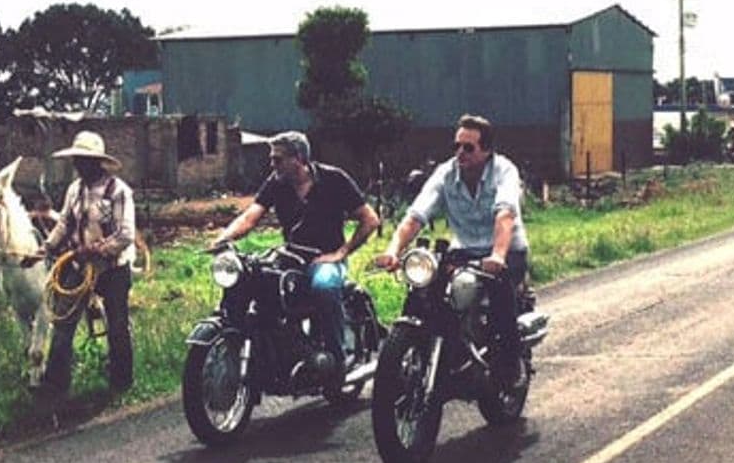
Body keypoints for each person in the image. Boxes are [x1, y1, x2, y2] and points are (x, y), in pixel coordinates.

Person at [209, 132, 381, 382]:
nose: (272, 164)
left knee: (323, 286)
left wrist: (341, 253)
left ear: (298, 158)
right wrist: (223, 239)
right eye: (272, 159)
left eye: (278, 159)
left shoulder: (333, 179)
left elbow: (370, 219)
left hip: (325, 259)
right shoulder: (277, 182)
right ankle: (274, 350)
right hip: (291, 258)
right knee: (255, 280)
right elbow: (250, 217)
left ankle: (337, 359)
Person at [373, 114, 530, 386]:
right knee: (425, 289)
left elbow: (505, 215)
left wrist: (498, 256)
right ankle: (419, 351)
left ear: (487, 150)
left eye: (469, 147)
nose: (460, 152)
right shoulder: (446, 173)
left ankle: (508, 365)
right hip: (465, 249)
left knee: (499, 291)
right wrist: (393, 250)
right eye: (457, 145)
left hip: (505, 251)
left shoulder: (504, 171)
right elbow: (415, 216)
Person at [39, 131, 136, 394]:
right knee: (63, 322)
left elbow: (125, 234)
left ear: (97, 162)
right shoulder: (75, 190)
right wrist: (46, 248)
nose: (78, 165)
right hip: (78, 266)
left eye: (83, 160)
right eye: (76, 160)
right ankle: (54, 385)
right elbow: (64, 224)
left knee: (117, 325)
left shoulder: (118, 191)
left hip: (112, 268)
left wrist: (94, 250)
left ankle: (121, 382)